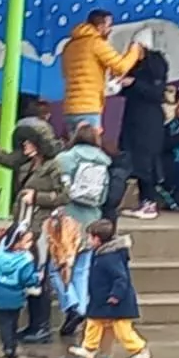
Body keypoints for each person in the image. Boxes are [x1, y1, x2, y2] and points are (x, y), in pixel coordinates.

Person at [0, 119, 67, 342]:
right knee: (27, 274)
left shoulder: (56, 166)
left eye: (28, 142)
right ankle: (33, 325)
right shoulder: (26, 162)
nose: (24, 146)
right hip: (23, 223)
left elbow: (66, 195)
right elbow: (6, 158)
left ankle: (41, 326)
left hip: (40, 227)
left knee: (38, 276)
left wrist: (38, 197)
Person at [55, 123, 114, 337]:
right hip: (92, 219)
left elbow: (59, 191)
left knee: (57, 267)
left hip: (68, 219)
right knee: (82, 270)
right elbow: (104, 196)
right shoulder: (104, 163)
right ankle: (82, 309)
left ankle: (71, 304)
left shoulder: (65, 159)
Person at [69, 220, 151, 358]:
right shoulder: (101, 254)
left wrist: (115, 295)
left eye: (90, 237)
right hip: (101, 299)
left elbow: (121, 278)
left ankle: (140, 349)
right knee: (94, 322)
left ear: (97, 239)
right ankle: (89, 348)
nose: (88, 240)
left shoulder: (110, 257)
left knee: (122, 329)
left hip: (116, 301)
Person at [61, 10, 144, 136]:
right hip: (89, 107)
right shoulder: (96, 43)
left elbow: (65, 72)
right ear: (100, 27)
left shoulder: (69, 46)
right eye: (109, 25)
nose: (110, 29)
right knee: (89, 151)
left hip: (70, 108)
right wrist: (135, 50)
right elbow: (121, 66)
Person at [119, 47, 170, 220]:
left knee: (146, 164)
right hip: (135, 121)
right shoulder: (138, 68)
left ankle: (150, 203)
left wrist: (134, 83)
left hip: (148, 124)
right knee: (137, 164)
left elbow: (156, 93)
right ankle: (144, 202)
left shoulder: (155, 68)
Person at [0, 224, 43, 358]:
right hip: (16, 295)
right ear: (17, 242)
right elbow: (27, 278)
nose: (30, 244)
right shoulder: (25, 259)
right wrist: (36, 278)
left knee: (3, 322)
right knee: (13, 321)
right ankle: (12, 345)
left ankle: (7, 345)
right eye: (27, 241)